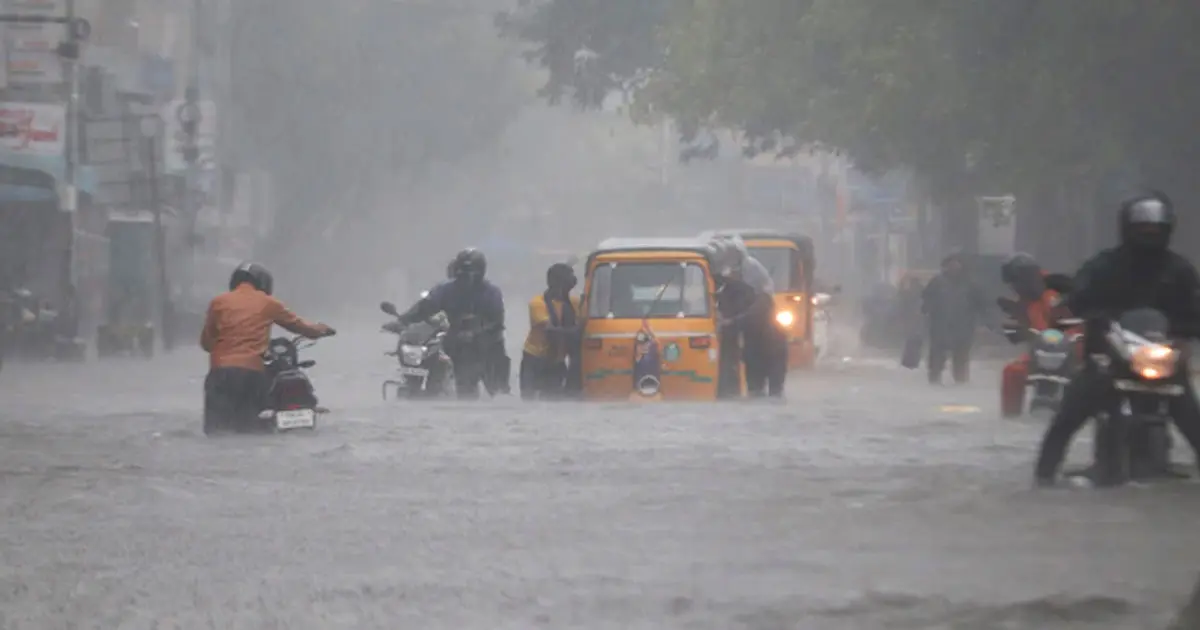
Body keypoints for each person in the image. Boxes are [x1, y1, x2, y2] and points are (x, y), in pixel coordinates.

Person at [1034, 191, 1200, 485]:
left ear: (1167, 230)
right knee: (1067, 416)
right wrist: (1076, 308)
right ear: (1127, 228)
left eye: (1155, 230)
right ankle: (1043, 476)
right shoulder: (1104, 265)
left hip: (1163, 359)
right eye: (1142, 229)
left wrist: (1185, 336)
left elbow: (1194, 307)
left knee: (1190, 416)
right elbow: (1079, 295)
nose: (1149, 235)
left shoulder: (1180, 271)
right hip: (1109, 356)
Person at [199, 262, 335, 435]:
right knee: (249, 432)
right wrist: (321, 329)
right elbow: (300, 326)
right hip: (251, 375)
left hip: (219, 375)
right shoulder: (268, 303)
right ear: (263, 283)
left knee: (216, 432)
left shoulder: (218, 302)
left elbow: (206, 343)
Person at [393, 248, 511, 398]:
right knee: (464, 388)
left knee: (499, 392)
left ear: (480, 272)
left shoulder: (492, 293)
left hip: (489, 346)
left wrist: (474, 333)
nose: (464, 276)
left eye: (468, 271)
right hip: (457, 346)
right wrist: (402, 320)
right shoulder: (446, 290)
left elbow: (496, 321)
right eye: (461, 271)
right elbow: (425, 307)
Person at [998, 253, 1079, 416]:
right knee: (1012, 371)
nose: (1015, 288)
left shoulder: (1058, 290)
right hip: (1039, 350)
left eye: (1016, 283)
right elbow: (1025, 325)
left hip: (1073, 349)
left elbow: (1078, 320)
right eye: (1012, 285)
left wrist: (1073, 337)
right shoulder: (1026, 299)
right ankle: (1011, 416)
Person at [712, 242, 785, 397]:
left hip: (765, 347)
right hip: (750, 346)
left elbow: (754, 315)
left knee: (764, 389)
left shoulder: (759, 297)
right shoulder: (730, 288)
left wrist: (731, 322)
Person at [921, 252, 987, 384]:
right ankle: (934, 379)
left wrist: (982, 323)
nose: (954, 267)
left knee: (961, 356)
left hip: (964, 326)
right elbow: (926, 299)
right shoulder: (937, 282)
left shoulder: (970, 284)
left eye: (957, 263)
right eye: (951, 264)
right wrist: (926, 311)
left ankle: (960, 380)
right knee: (937, 354)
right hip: (940, 325)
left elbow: (980, 304)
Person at [520, 263, 581, 400]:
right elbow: (551, 330)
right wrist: (576, 331)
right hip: (535, 360)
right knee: (528, 400)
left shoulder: (574, 303)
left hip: (557, 362)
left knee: (554, 400)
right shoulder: (537, 303)